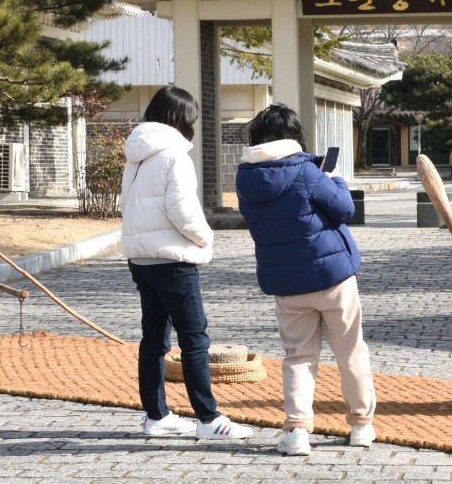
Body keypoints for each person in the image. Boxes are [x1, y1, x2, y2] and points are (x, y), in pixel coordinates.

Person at [235, 103, 376, 457]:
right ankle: (361, 425)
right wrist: (335, 177)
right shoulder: (307, 171)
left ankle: (297, 431)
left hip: (285, 282)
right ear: (294, 135)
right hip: (332, 278)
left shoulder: (245, 178)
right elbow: (345, 209)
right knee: (350, 351)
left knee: (298, 356)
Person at [120, 85, 252, 441]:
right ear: (181, 119)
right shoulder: (174, 155)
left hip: (142, 259)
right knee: (195, 340)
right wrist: (206, 238)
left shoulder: (137, 154)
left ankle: (157, 416)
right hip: (174, 261)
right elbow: (183, 211)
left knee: (154, 340)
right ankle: (208, 419)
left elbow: (127, 207)